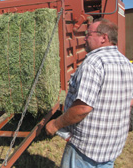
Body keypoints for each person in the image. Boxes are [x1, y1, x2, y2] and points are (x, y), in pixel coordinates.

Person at [46, 18, 133, 168]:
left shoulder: (94, 63)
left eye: (88, 34)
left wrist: (55, 124)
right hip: (112, 147)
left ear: (104, 38)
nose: (85, 37)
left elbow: (83, 108)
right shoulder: (125, 62)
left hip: (86, 150)